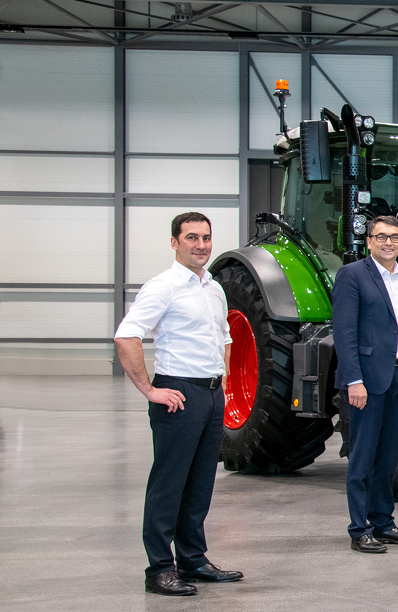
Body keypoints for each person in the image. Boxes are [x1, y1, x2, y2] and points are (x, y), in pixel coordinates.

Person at [114, 212, 243, 596]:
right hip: (178, 394)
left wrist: (223, 381)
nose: (200, 245)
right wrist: (150, 390)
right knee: (169, 485)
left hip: (210, 394)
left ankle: (194, 559)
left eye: (205, 238)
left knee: (200, 483)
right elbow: (127, 336)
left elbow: (226, 338)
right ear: (175, 243)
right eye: (191, 238)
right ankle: (159, 569)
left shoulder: (214, 288)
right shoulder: (163, 287)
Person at [332, 215, 398, 553]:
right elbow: (344, 333)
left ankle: (383, 521)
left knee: (388, 457)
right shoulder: (352, 275)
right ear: (368, 241)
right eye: (382, 237)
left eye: (395, 237)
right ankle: (360, 528)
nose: (389, 243)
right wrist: (354, 380)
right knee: (363, 457)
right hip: (367, 381)